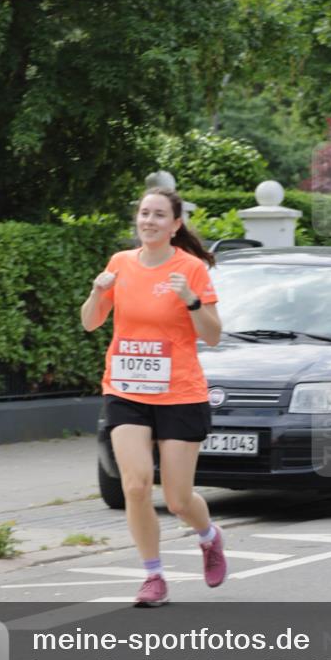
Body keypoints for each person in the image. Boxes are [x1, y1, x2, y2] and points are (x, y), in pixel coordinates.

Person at [81, 186, 226, 606]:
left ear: (175, 224)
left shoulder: (192, 269)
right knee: (136, 485)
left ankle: (208, 536)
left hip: (180, 392)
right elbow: (91, 323)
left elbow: (213, 336)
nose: (149, 221)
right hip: (126, 390)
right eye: (144, 213)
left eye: (159, 215)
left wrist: (191, 301)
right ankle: (153, 576)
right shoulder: (120, 264)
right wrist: (96, 290)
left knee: (179, 499)